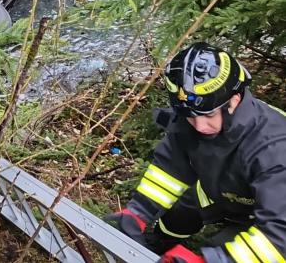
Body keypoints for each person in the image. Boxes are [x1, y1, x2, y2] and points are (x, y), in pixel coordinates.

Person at [104, 42, 286, 263]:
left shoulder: (274, 147)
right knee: (181, 212)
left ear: (234, 101)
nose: (199, 126)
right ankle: (156, 245)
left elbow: (279, 236)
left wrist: (209, 260)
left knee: (219, 247)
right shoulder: (192, 118)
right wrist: (137, 213)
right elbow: (169, 169)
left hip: (272, 215)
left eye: (208, 116)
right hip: (227, 188)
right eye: (191, 117)